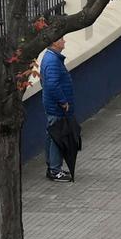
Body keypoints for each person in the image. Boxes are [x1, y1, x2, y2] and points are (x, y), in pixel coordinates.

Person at [40, 36, 75, 182]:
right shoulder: (52, 61)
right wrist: (63, 101)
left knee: (51, 134)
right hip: (56, 106)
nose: (64, 41)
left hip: (52, 104)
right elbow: (52, 84)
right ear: (54, 43)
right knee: (56, 137)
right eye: (61, 39)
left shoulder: (50, 58)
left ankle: (52, 167)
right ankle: (55, 170)